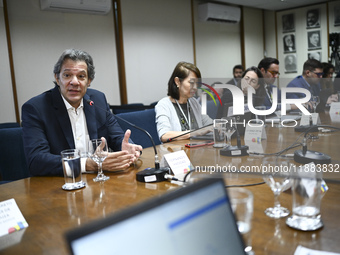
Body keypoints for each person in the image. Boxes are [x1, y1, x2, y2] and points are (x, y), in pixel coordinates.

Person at [22, 49, 142, 176]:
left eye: (81, 76)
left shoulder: (98, 100)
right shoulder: (36, 108)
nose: (74, 82)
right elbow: (36, 161)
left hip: (98, 183)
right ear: (57, 78)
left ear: (89, 81)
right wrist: (88, 164)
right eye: (67, 75)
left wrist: (125, 148)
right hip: (59, 185)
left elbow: (116, 137)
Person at [155, 62, 213, 143]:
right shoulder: (164, 105)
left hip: (197, 151)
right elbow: (164, 135)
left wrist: (221, 125)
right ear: (177, 81)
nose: (195, 87)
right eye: (191, 83)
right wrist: (195, 132)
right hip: (176, 153)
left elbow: (209, 124)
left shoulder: (194, 102)